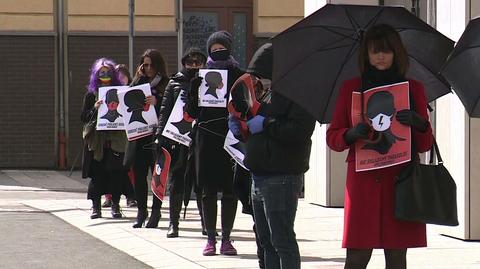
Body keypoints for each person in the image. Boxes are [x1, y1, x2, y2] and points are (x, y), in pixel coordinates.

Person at [326, 24, 433, 269]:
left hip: (401, 184)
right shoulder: (351, 87)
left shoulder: (413, 88)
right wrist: (350, 134)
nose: (381, 56)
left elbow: (425, 145)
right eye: (375, 51)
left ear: (397, 53)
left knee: (396, 258)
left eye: (386, 51)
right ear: (366, 55)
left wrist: (420, 123)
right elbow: (333, 138)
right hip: (363, 186)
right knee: (356, 258)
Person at [229, 43, 316, 269]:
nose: (259, 81)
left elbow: (299, 130)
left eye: (263, 75)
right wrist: (242, 125)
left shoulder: (299, 93)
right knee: (265, 241)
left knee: (281, 239)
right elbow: (253, 120)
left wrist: (266, 123)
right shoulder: (267, 94)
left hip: (282, 176)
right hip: (259, 173)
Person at [184, 30, 244, 256]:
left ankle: (227, 239)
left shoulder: (239, 74)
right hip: (206, 139)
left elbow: (246, 107)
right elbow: (190, 114)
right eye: (214, 49)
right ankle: (210, 238)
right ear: (209, 51)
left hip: (230, 137)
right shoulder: (201, 75)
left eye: (223, 48)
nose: (219, 52)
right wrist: (193, 91)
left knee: (230, 191)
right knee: (208, 190)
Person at [155, 47, 208, 238]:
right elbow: (165, 110)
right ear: (184, 63)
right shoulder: (174, 82)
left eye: (198, 62)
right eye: (190, 62)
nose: (194, 65)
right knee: (176, 180)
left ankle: (206, 223)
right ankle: (173, 223)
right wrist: (160, 135)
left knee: (201, 181)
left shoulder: (208, 81)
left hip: (200, 138)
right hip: (177, 138)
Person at [124, 49, 169, 228]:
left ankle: (156, 211)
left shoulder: (166, 83)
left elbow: (171, 108)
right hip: (139, 137)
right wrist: (138, 77)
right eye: (145, 64)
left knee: (157, 176)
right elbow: (128, 97)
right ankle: (141, 211)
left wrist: (157, 103)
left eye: (151, 65)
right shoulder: (139, 82)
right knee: (139, 175)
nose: (148, 68)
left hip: (157, 136)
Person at [80, 57, 128, 219]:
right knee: (97, 175)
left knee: (116, 174)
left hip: (116, 140)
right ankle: (96, 207)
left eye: (108, 72)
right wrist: (94, 108)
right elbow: (83, 117)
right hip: (97, 142)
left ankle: (115, 205)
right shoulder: (91, 95)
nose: (105, 75)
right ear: (96, 75)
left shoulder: (120, 93)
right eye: (101, 72)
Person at [102, 64, 137, 209]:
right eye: (119, 76)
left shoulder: (131, 92)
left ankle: (130, 196)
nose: (121, 79)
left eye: (124, 76)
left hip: (127, 137)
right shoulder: (108, 92)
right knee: (111, 168)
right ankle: (110, 196)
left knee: (127, 169)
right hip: (111, 138)